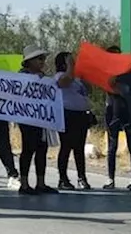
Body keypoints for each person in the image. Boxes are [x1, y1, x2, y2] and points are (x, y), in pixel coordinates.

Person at [16, 49, 57, 196]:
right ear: (30, 61)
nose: (42, 62)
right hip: (27, 119)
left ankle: (41, 183)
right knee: (28, 149)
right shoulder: (21, 75)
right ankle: (24, 184)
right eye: (39, 59)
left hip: (41, 118)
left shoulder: (44, 77)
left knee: (42, 149)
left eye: (43, 59)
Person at [54, 51, 93, 190]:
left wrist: (85, 77)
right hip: (67, 115)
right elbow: (64, 82)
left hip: (81, 115)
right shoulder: (60, 76)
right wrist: (70, 65)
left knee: (79, 147)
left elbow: (88, 90)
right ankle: (63, 178)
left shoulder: (76, 78)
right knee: (66, 146)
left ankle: (81, 177)